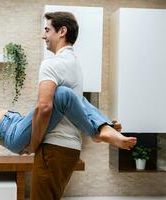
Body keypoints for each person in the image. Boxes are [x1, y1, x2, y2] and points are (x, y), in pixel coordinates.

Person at [0, 53, 136, 156]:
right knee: (61, 93)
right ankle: (96, 132)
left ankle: (101, 126)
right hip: (11, 133)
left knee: (74, 96)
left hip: (17, 124)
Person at [26, 12, 137, 200]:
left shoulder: (51, 64)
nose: (43, 36)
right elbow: (78, 106)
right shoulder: (75, 65)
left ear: (62, 31)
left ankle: (100, 130)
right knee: (80, 101)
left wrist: (33, 144)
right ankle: (103, 128)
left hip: (53, 147)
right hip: (71, 149)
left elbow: (44, 107)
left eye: (47, 30)